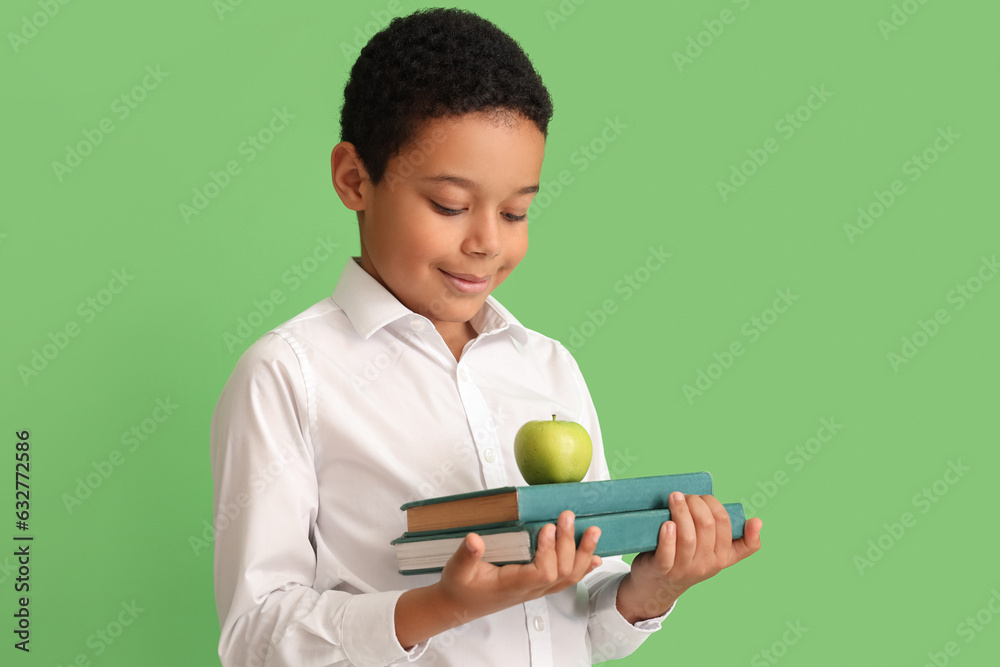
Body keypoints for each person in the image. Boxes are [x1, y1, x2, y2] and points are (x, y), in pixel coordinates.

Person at [210, 8, 762, 666]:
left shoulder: (547, 367)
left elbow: (580, 621)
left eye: (515, 211)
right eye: (449, 205)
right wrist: (443, 606)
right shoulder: (289, 372)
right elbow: (255, 636)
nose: (487, 242)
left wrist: (650, 589)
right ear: (355, 179)